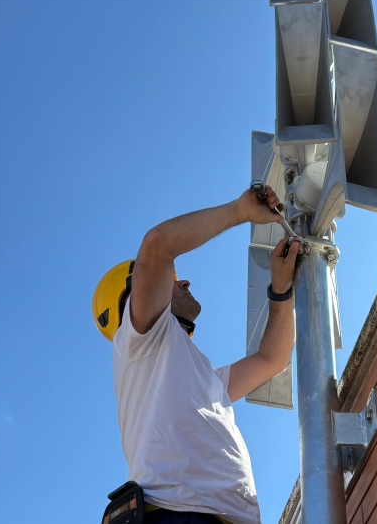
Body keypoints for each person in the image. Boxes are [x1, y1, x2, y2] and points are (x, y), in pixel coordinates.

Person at [92, 185, 299, 524]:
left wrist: (281, 288)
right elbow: (158, 244)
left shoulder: (202, 377)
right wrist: (241, 211)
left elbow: (272, 359)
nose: (184, 283)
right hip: (178, 515)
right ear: (131, 298)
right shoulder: (136, 341)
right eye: (170, 280)